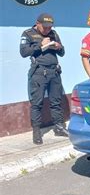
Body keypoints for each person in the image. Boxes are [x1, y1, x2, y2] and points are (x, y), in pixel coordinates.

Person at [20, 13, 69, 145]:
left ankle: (59, 127)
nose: (48, 30)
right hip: (39, 72)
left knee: (56, 101)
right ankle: (36, 131)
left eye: (50, 27)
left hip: (54, 72)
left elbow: (62, 53)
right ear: (37, 23)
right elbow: (24, 52)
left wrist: (59, 47)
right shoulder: (28, 34)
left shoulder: (53, 33)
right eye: (45, 27)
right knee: (37, 103)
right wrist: (41, 45)